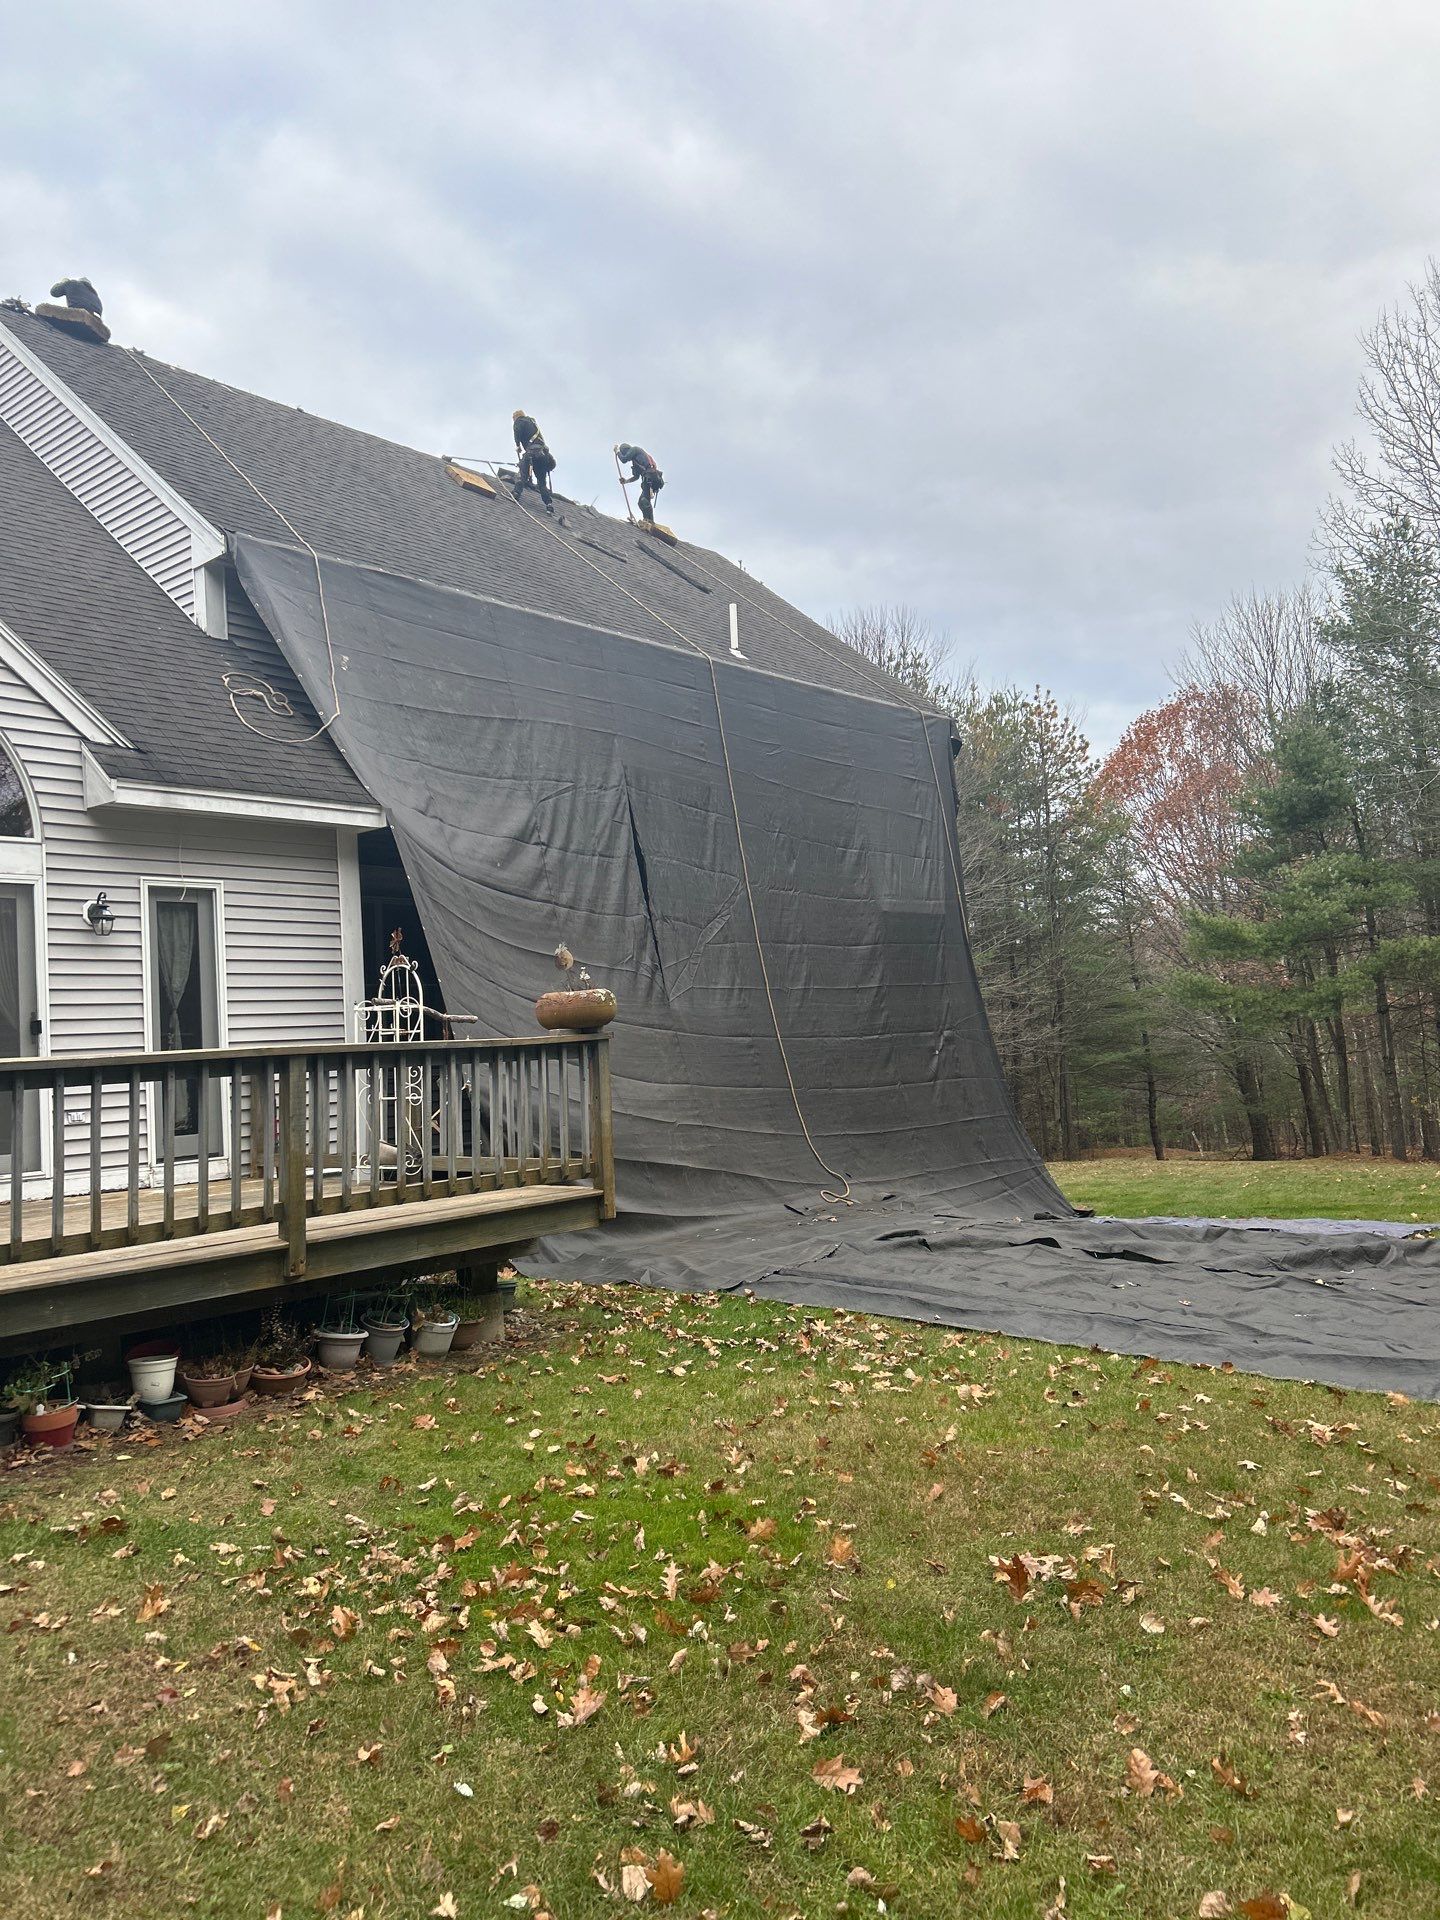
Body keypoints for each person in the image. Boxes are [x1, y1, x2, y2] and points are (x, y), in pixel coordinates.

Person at [511, 409, 556, 511]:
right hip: (543, 455)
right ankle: (548, 504)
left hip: (532, 453)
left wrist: (518, 445)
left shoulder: (520, 421)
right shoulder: (532, 422)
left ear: (516, 417)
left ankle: (516, 493)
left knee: (523, 474)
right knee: (541, 482)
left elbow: (517, 430)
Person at [616, 443, 664, 524]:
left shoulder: (635, 449)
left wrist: (617, 451)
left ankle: (650, 522)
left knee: (643, 501)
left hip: (651, 478)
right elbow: (636, 477)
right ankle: (648, 521)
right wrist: (626, 481)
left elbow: (624, 459)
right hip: (647, 479)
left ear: (626, 450)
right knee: (642, 502)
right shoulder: (635, 462)